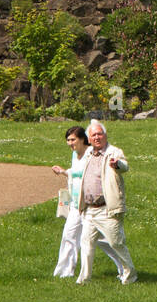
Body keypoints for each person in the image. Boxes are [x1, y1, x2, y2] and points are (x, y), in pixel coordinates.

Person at [76, 119, 137, 286]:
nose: (97, 137)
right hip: (89, 210)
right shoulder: (88, 153)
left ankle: (130, 275)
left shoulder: (114, 152)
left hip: (107, 209)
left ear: (105, 135)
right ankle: (84, 279)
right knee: (86, 245)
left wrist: (117, 164)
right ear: (89, 138)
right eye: (93, 134)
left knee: (116, 243)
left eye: (100, 134)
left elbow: (125, 166)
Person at [51, 126, 89, 278]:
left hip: (91, 205)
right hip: (75, 204)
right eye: (68, 140)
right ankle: (64, 272)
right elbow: (75, 173)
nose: (70, 143)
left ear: (82, 139)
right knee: (69, 235)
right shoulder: (75, 155)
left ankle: (125, 268)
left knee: (104, 240)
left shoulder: (92, 154)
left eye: (73, 139)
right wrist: (63, 172)